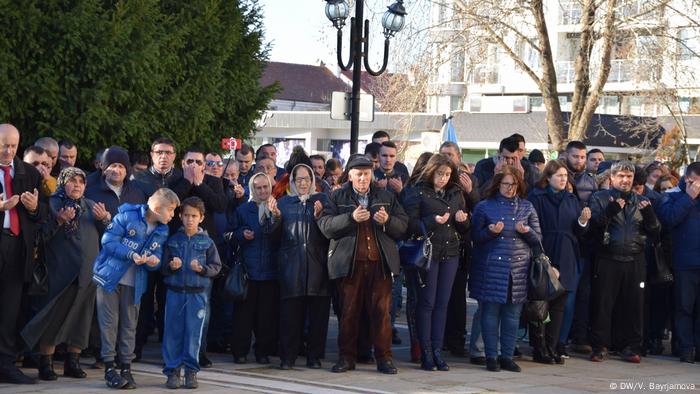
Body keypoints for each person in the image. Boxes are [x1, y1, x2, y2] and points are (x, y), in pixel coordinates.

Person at [317, 156, 408, 375]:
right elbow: (325, 226)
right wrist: (351, 217)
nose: (363, 178)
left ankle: (384, 359)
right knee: (349, 313)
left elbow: (403, 225)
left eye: (367, 174)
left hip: (380, 265)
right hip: (349, 265)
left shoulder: (386, 196)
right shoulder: (337, 196)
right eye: (359, 174)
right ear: (350, 175)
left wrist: (387, 221)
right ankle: (346, 357)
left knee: (381, 314)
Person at [21, 168, 111, 381]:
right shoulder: (52, 204)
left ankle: (73, 362)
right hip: (60, 274)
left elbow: (109, 235)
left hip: (88, 273)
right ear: (62, 183)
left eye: (81, 181)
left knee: (82, 318)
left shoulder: (90, 206)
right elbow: (38, 238)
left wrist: (106, 219)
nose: (77, 185)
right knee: (53, 317)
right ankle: (46, 363)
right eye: (72, 181)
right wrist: (59, 221)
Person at [92, 188, 179, 389]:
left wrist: (153, 261)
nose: (173, 215)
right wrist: (130, 254)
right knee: (109, 324)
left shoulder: (162, 230)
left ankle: (125, 367)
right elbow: (108, 241)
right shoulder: (126, 216)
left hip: (135, 283)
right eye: (171, 210)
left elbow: (155, 260)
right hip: (110, 279)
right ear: (157, 208)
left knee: (130, 325)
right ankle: (109, 368)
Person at [469, 166, 541, 373]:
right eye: (506, 184)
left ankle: (507, 357)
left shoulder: (527, 207)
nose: (510, 188)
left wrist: (526, 232)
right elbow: (475, 237)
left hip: (518, 269)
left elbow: (538, 239)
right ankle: (491, 356)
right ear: (497, 184)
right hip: (490, 268)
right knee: (489, 314)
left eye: (514, 184)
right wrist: (490, 233)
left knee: (512, 316)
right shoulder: (484, 207)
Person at [588, 161, 660, 363]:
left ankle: (631, 347)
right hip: (608, 257)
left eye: (629, 177)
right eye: (621, 176)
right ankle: (599, 346)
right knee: (603, 304)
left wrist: (650, 217)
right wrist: (609, 212)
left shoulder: (643, 201)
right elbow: (592, 226)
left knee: (634, 305)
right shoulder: (600, 198)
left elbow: (655, 232)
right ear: (612, 178)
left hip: (635, 259)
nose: (625, 180)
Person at [409, 154, 470, 371]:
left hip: (450, 252)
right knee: (427, 303)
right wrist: (430, 222)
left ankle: (437, 351)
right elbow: (410, 225)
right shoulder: (418, 192)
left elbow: (463, 227)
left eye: (447, 174)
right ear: (431, 172)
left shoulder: (455, 193)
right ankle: (425, 352)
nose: (443, 178)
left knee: (443, 304)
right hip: (428, 253)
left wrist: (463, 221)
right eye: (440, 173)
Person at [527, 160, 590, 365]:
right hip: (546, 252)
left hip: (568, 255)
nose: (563, 179)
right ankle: (539, 347)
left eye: (565, 176)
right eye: (559, 175)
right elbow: (534, 229)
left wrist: (582, 222)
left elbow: (579, 232)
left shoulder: (572, 199)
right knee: (541, 303)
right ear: (548, 177)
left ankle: (554, 346)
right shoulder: (537, 198)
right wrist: (542, 258)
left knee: (561, 305)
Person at [161, 196, 221, 389]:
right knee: (173, 333)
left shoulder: (208, 242)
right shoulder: (173, 240)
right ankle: (172, 371)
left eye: (194, 216)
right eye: (186, 215)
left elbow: (216, 267)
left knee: (194, 334)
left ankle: (191, 371)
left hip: (198, 294)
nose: (189, 219)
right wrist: (171, 266)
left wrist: (202, 269)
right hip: (175, 292)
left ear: (201, 218)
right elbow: (162, 268)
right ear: (180, 216)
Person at [0, 124, 44, 385]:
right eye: (3, 145)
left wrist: (36, 207)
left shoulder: (28, 173)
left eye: (13, 146)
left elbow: (42, 215)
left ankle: (5, 363)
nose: (8, 150)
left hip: (17, 247)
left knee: (10, 309)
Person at [275, 164, 331, 370]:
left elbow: (331, 233)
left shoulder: (323, 200)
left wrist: (320, 218)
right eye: (298, 179)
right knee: (290, 317)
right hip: (292, 267)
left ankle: (314, 356)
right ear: (292, 182)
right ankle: (287, 357)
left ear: (312, 180)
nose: (303, 183)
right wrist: (274, 219)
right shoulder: (283, 204)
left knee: (318, 318)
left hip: (318, 266)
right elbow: (274, 237)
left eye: (306, 179)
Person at [231, 173, 280, 365]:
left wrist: (275, 217)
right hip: (248, 271)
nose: (262, 191)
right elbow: (231, 233)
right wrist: (242, 234)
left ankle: (262, 351)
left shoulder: (277, 209)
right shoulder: (244, 210)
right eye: (258, 188)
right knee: (243, 316)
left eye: (265, 187)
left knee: (265, 317)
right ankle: (240, 351)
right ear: (253, 189)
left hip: (270, 271)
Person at [438, 141, 480, 358]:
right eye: (442, 154)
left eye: (450, 155)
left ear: (458, 157)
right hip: (438, 245)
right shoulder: (435, 178)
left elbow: (479, 208)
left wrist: (470, 191)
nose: (446, 158)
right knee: (438, 296)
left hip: (460, 246)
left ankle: (456, 340)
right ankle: (440, 338)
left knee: (457, 297)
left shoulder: (468, 180)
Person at [659, 162, 700, 363]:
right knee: (684, 307)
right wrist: (688, 198)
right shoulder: (673, 195)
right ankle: (686, 348)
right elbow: (669, 219)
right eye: (693, 182)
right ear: (686, 179)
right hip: (684, 262)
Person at [398, 152, 434, 363]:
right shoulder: (413, 191)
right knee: (416, 299)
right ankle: (418, 344)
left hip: (434, 250)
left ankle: (426, 342)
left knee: (426, 301)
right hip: (418, 252)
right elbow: (409, 223)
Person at [85, 146, 146, 216]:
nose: (117, 171)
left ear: (126, 170)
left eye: (121, 166)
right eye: (113, 166)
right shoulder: (91, 193)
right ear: (104, 169)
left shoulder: (137, 193)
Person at [474, 136, 538, 194]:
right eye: (506, 157)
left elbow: (530, 196)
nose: (510, 162)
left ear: (518, 154)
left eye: (513, 158)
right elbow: (478, 195)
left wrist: (521, 179)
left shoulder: (527, 168)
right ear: (499, 153)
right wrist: (495, 177)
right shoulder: (483, 166)